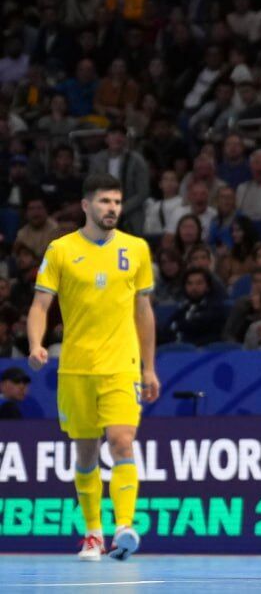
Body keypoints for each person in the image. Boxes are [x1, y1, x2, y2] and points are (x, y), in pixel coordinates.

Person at [26, 173, 158, 561]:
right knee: (85, 454)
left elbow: (144, 311)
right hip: (76, 368)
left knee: (121, 441)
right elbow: (39, 305)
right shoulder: (61, 249)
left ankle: (125, 527)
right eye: (104, 202)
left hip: (122, 364)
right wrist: (35, 344)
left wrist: (149, 368)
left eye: (116, 202)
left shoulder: (136, 249)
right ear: (86, 205)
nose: (112, 208)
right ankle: (93, 534)